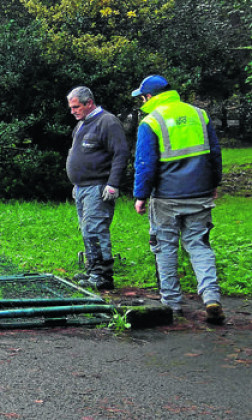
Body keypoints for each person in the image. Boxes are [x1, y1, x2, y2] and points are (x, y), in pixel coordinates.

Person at [131, 75, 224, 324]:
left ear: (148, 97)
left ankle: (171, 303)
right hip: (200, 194)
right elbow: (215, 153)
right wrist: (214, 183)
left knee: (165, 247)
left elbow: (145, 164)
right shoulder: (199, 115)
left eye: (142, 97)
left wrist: (140, 196)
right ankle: (211, 297)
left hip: (166, 197)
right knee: (199, 245)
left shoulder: (151, 122)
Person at [65, 86, 130, 290]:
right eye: (71, 107)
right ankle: (92, 270)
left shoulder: (107, 122)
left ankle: (103, 275)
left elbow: (120, 153)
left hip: (98, 186)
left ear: (89, 103)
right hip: (83, 187)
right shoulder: (82, 124)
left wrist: (113, 184)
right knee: (87, 230)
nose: (73, 111)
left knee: (96, 229)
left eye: (76, 107)